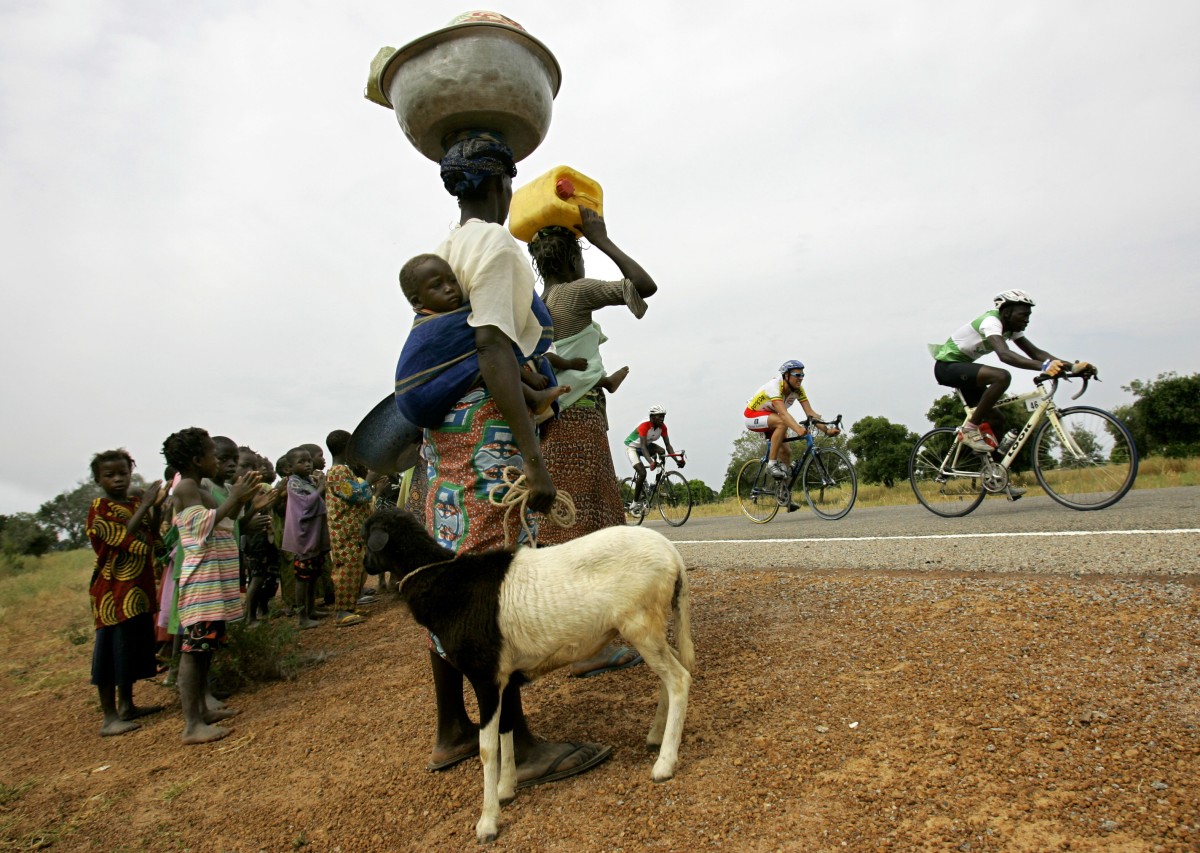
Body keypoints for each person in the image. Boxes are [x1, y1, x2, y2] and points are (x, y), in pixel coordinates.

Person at [415, 131, 611, 785]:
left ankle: (451, 730)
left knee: (450, 578)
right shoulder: (498, 247)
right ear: (499, 184)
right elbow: (494, 349)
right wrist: (533, 456)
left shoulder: (446, 247)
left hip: (444, 439)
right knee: (493, 582)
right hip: (486, 432)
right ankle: (519, 745)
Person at [164, 427, 274, 744]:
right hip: (201, 583)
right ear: (198, 459)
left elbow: (227, 521)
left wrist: (243, 500)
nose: (218, 460)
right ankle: (191, 724)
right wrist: (237, 498)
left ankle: (201, 710)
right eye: (213, 455)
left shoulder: (203, 488)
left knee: (205, 649)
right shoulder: (185, 488)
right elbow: (205, 525)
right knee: (194, 651)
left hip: (214, 581)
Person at [395, 253, 570, 426]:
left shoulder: (449, 317)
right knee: (488, 357)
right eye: (437, 285)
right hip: (419, 398)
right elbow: (494, 328)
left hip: (426, 398)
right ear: (417, 302)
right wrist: (511, 282)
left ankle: (533, 396)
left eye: (452, 280)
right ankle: (533, 397)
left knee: (488, 354)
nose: (449, 288)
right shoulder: (436, 328)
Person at [933, 290, 1097, 457]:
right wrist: (1045, 366)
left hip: (964, 372)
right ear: (1006, 312)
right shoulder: (991, 322)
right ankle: (969, 430)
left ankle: (994, 478)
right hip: (947, 368)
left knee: (997, 420)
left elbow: (1035, 352)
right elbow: (1005, 355)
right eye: (1023, 315)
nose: (1027, 320)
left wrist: (1072, 368)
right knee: (1001, 376)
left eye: (1029, 316)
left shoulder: (1011, 328)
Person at [86, 449, 166, 736]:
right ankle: (109, 717)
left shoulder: (135, 502)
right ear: (98, 479)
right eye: (110, 475)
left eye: (123, 473)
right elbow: (122, 538)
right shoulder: (100, 507)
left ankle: (127, 706)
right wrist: (145, 506)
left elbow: (150, 534)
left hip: (138, 587)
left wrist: (156, 507)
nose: (118, 479)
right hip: (112, 591)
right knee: (110, 651)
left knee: (128, 648)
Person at [744, 360, 841, 507]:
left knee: (787, 454)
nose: (801, 378)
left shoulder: (798, 390)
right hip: (753, 415)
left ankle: (784, 496)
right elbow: (783, 414)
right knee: (782, 422)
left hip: (772, 417)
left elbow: (810, 413)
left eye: (803, 374)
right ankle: (771, 464)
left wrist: (826, 430)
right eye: (797, 374)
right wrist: (798, 429)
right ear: (786, 375)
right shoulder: (774, 387)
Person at [324, 430, 373, 627]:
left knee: (355, 567)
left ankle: (350, 606)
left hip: (350, 529)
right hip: (344, 530)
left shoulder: (343, 470)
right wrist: (370, 480)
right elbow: (355, 495)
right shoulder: (338, 472)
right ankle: (342, 611)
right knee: (346, 568)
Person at [281, 446, 330, 630]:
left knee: (312, 575)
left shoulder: (307, 481)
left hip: (314, 534)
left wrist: (318, 487)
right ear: (289, 467)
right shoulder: (293, 483)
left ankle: (311, 610)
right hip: (304, 537)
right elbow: (305, 504)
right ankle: (302, 616)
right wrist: (320, 489)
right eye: (301, 462)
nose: (307, 464)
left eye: (308, 460)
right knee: (303, 578)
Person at [237, 447, 280, 625]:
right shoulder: (242, 489)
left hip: (264, 536)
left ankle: (261, 609)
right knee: (257, 576)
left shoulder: (256, 488)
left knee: (267, 575)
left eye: (254, 466)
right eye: (247, 465)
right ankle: (250, 616)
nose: (254, 470)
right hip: (254, 539)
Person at [623, 405, 685, 509]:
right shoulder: (644, 425)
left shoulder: (663, 427)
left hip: (646, 446)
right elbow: (642, 447)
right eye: (659, 416)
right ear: (652, 417)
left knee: (662, 451)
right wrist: (651, 462)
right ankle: (635, 502)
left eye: (663, 416)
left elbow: (668, 446)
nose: (662, 418)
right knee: (642, 473)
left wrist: (677, 460)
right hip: (633, 448)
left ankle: (657, 481)